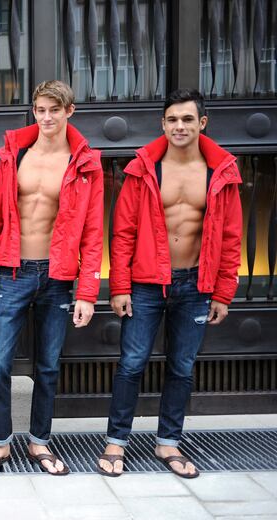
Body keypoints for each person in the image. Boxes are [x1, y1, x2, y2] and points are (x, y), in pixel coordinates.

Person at [98, 89, 242, 479]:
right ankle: (117, 441)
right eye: (173, 120)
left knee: (181, 367)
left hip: (196, 285)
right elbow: (123, 232)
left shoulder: (220, 172)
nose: (180, 126)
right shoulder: (144, 168)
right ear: (163, 124)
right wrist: (120, 286)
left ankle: (169, 443)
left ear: (202, 123)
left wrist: (223, 291)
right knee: (131, 363)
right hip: (145, 284)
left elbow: (231, 237)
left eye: (188, 120)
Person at [0, 80, 104, 476]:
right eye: (40, 110)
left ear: (70, 112)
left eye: (54, 110)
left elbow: (94, 232)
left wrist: (87, 292)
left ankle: (40, 443)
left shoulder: (84, 163)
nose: (46, 117)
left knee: (47, 366)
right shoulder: (17, 154)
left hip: (58, 277)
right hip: (12, 272)